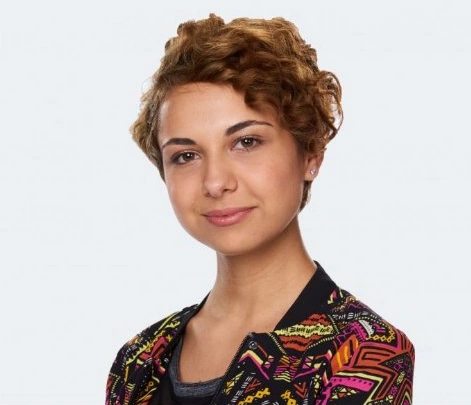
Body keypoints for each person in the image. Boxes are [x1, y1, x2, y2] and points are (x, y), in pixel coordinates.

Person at [106, 14, 414, 405]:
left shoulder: (363, 352)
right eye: (186, 155)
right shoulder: (139, 361)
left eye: (247, 142)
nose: (215, 182)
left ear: (310, 153)